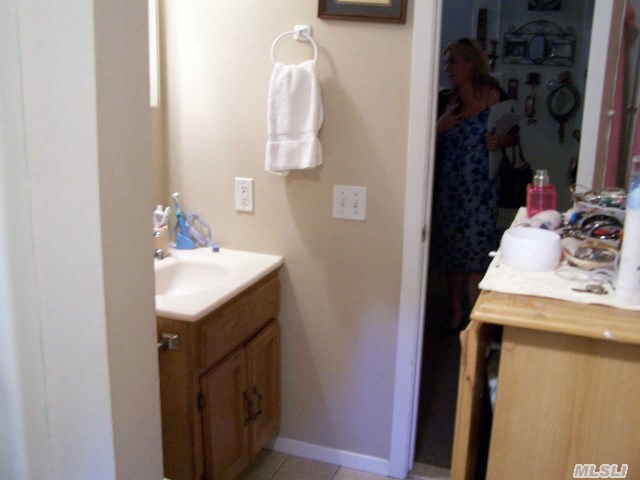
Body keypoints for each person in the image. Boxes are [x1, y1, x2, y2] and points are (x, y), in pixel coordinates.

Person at [431, 38, 516, 333]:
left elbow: (514, 136)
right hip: (450, 189)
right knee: (452, 253)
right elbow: (421, 140)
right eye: (447, 62)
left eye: (452, 61)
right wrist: (439, 127)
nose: (447, 68)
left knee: (477, 252)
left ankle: (475, 317)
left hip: (482, 189)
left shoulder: (495, 96)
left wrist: (500, 140)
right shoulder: (445, 100)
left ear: (469, 63)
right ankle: (457, 312)